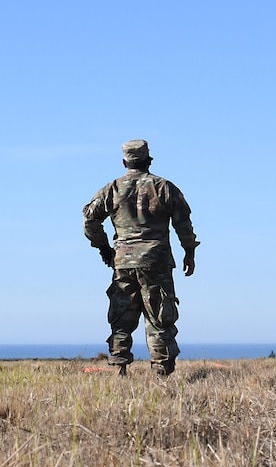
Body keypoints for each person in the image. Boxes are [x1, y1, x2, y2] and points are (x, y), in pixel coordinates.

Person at [83, 139, 197, 377]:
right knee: (159, 318)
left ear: (125, 162)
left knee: (121, 318)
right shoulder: (163, 187)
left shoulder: (112, 189)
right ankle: (161, 375)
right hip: (156, 262)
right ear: (149, 160)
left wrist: (105, 249)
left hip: (123, 262)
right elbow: (183, 223)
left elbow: (89, 220)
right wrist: (189, 251)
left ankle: (119, 370)